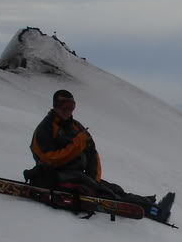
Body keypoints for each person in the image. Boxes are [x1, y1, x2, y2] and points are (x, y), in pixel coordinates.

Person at [28, 89, 173, 221]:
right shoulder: (45, 128)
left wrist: (93, 178)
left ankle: (146, 202)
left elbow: (92, 153)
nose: (68, 111)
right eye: (64, 107)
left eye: (71, 107)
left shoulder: (75, 127)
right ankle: (154, 211)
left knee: (113, 188)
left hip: (76, 174)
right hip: (56, 174)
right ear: (55, 106)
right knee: (106, 194)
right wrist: (78, 144)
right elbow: (50, 160)